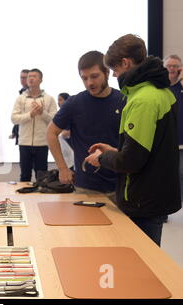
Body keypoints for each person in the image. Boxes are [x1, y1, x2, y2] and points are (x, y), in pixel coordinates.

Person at [85, 34, 181, 246]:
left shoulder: (143, 100)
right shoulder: (161, 92)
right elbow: (150, 148)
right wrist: (113, 150)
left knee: (142, 268)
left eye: (115, 70)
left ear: (125, 63)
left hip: (143, 200)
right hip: (154, 194)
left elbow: (130, 161)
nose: (114, 75)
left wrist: (102, 158)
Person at [47, 51, 124, 195]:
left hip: (120, 185)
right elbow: (51, 132)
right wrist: (63, 168)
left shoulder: (124, 100)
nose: (90, 83)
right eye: (84, 78)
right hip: (86, 186)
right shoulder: (74, 103)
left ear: (107, 72)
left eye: (94, 76)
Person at [11, 68, 57, 182]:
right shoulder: (21, 99)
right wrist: (30, 114)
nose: (30, 78)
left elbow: (55, 120)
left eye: (34, 76)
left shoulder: (49, 99)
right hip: (24, 143)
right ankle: (23, 199)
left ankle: (41, 199)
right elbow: (14, 119)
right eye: (29, 77)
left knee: (42, 176)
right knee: (25, 175)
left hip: (42, 143)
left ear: (41, 79)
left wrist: (42, 113)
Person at [164, 55, 183, 202]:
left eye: (175, 66)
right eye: (169, 65)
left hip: (181, 144)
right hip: (164, 145)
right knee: (163, 178)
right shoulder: (159, 89)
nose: (172, 69)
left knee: (180, 175)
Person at [10, 69, 30, 145]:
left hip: (31, 135)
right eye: (21, 77)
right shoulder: (22, 93)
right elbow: (19, 115)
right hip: (22, 133)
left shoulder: (34, 94)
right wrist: (15, 131)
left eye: (24, 77)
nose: (22, 80)